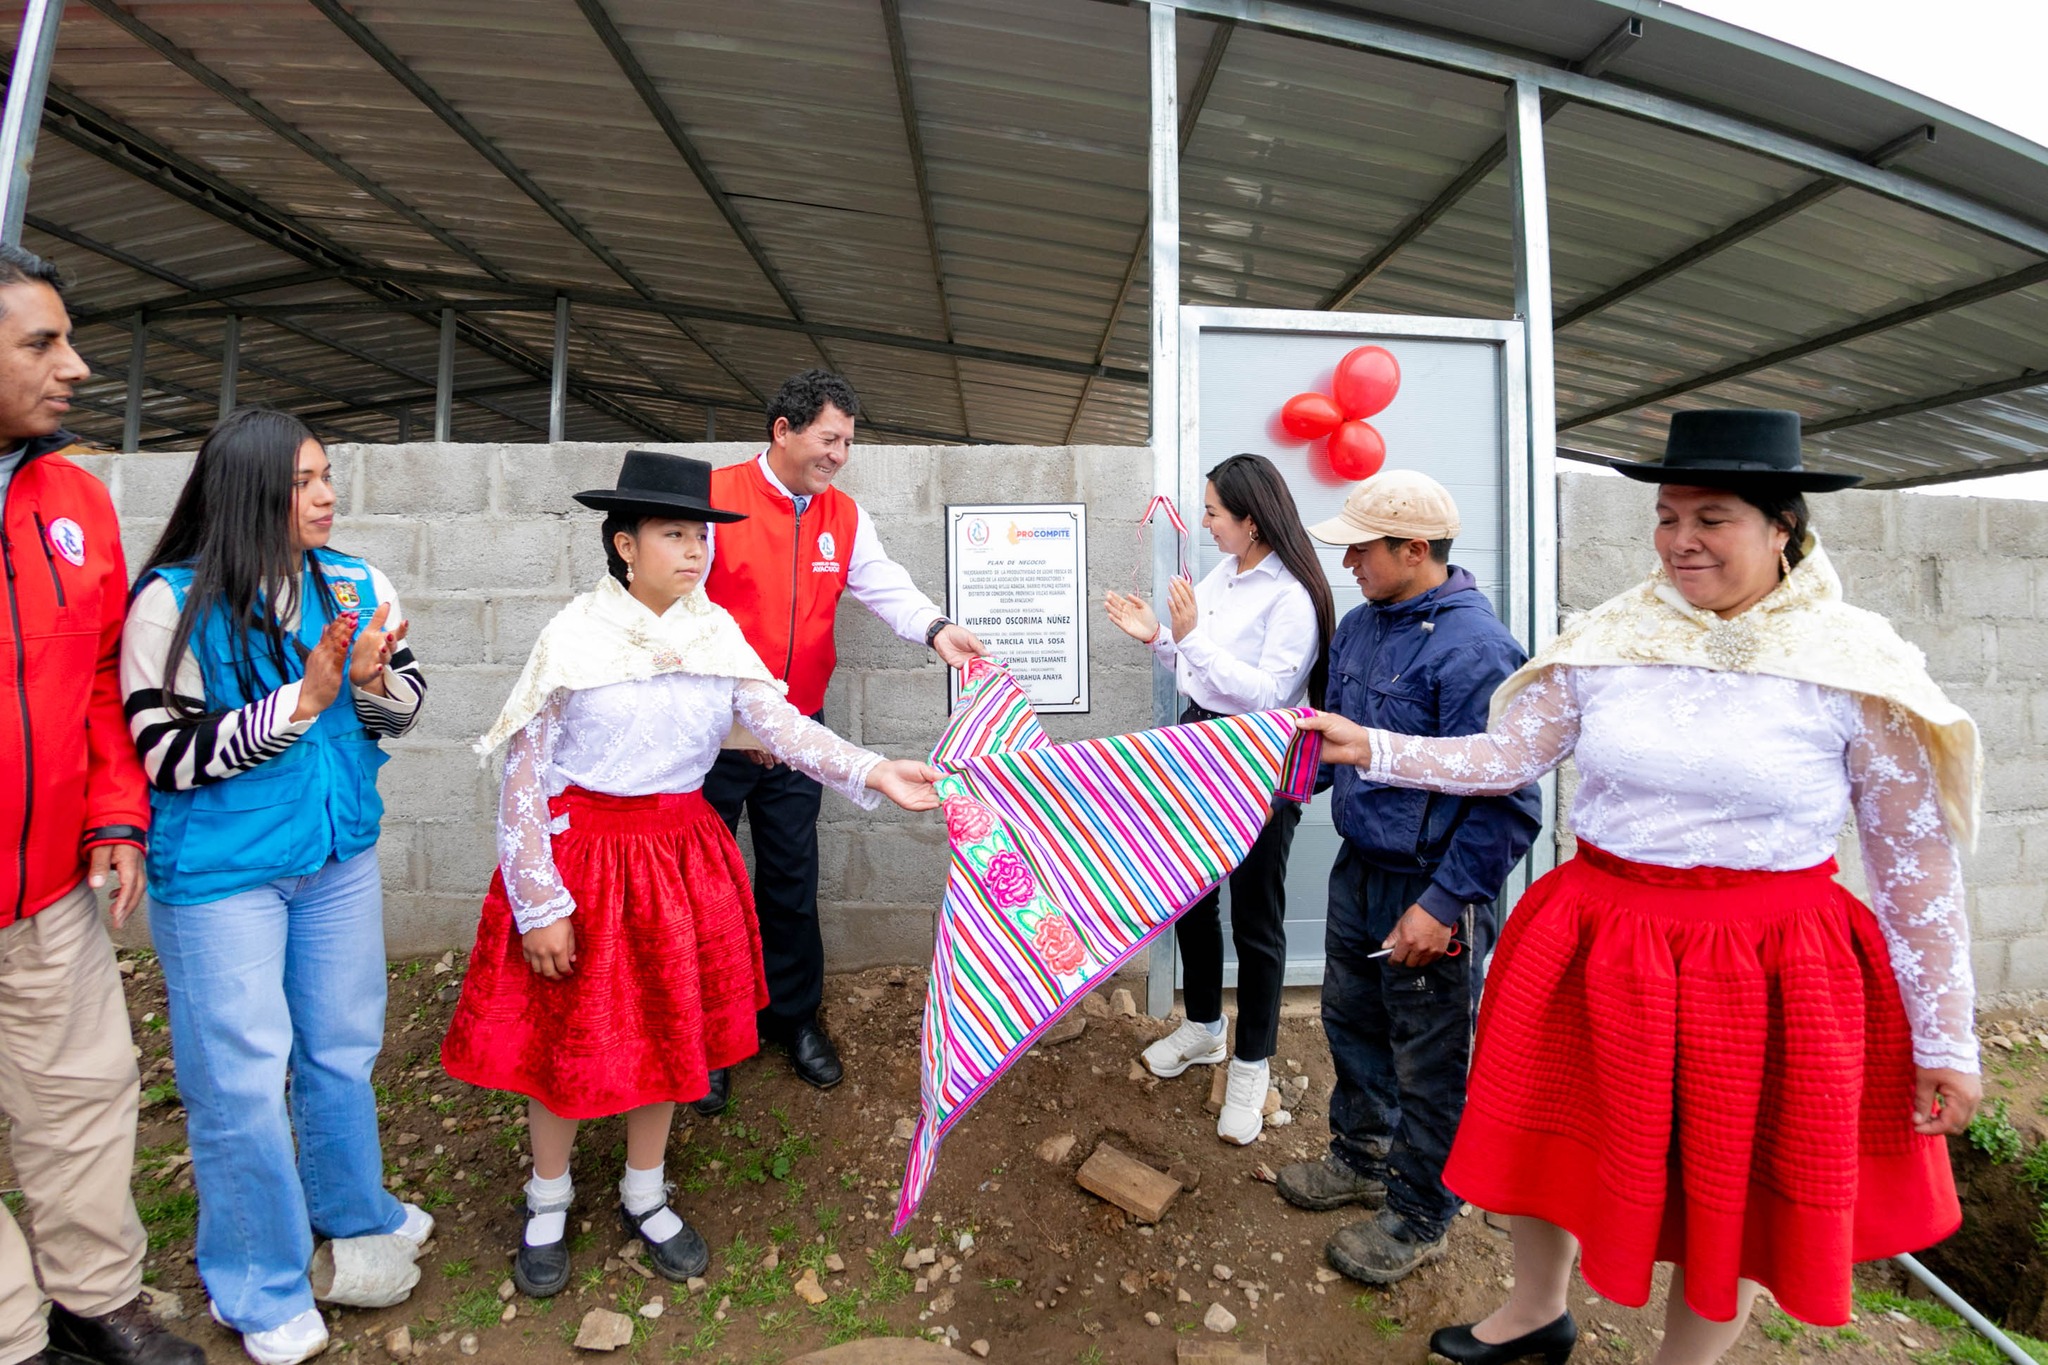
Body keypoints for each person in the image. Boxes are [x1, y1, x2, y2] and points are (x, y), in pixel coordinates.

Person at [1303, 410, 1981, 1365]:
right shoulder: (1613, 637)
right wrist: (1375, 744)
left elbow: (1916, 868)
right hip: (1598, 937)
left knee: (1729, 1182)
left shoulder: (1853, 667)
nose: (1681, 541)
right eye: (1667, 516)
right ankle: (1535, 1310)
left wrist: (1946, 1034)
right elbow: (1507, 755)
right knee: (1548, 1139)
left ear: (1782, 526)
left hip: (1762, 960)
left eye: (1712, 518)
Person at [440, 452, 943, 1298]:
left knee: (670, 1023)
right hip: (585, 863)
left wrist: (872, 769)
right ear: (624, 544)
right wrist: (538, 901)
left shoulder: (716, 634)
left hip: (679, 858)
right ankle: (548, 1195)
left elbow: (778, 726)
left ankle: (645, 1188)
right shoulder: (574, 635)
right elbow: (524, 774)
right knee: (567, 1029)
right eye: (675, 534)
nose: (695, 550)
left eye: (700, 535)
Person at [122, 408, 431, 1365]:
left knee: (341, 1047)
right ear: (248, 491)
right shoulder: (171, 604)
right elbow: (167, 757)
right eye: (303, 481)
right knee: (241, 1082)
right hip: (222, 880)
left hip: (335, 858)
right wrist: (301, 700)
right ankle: (258, 1279)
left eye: (327, 475)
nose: (327, 494)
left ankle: (351, 1208)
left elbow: (405, 711)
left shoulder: (354, 581)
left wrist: (372, 681)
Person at [0, 246, 204, 1365]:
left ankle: (93, 1299)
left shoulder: (71, 498)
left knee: (81, 1093)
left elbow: (92, 686)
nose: (73, 367)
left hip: (42, 888)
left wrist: (115, 816)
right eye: (41, 344)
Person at [1268, 468, 1540, 1285]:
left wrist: (1445, 903)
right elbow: (1325, 744)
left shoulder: (1478, 651)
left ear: (1415, 549)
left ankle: (1421, 1212)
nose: (1347, 561)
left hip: (1430, 887)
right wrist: (1255, 787)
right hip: (1361, 868)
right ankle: (1361, 1156)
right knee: (1351, 1022)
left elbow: (1511, 799)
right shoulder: (1360, 626)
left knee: (1429, 1058)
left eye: (1361, 548)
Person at [700, 370, 984, 1109]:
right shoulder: (713, 499)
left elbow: (884, 584)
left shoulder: (843, 516)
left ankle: (794, 1018)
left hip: (805, 735)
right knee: (709, 892)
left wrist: (935, 627)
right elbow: (684, 616)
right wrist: (743, 719)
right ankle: (709, 1036)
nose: (840, 455)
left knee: (791, 882)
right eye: (830, 439)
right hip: (711, 737)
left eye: (849, 442)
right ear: (783, 431)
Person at [1104, 453, 1333, 1144]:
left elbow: (1265, 694)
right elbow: (1195, 666)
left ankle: (1252, 1060)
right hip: (1200, 742)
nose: (1203, 522)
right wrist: (1162, 639)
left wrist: (1192, 638)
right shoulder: (1221, 576)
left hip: (1259, 754)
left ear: (1252, 521)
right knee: (1190, 899)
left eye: (1212, 512)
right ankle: (1203, 1026)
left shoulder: (1292, 596)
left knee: (1256, 915)